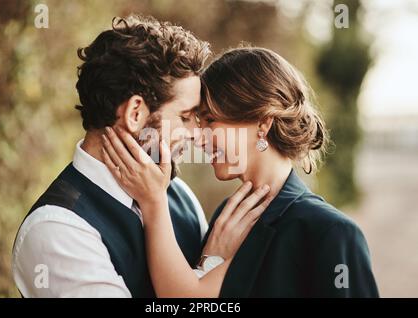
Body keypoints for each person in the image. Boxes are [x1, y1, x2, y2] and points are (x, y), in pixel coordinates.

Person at [12, 16, 267, 298]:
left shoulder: (180, 196)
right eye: (184, 117)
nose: (197, 133)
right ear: (135, 113)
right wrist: (211, 264)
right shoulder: (57, 230)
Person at [101, 47, 379, 297]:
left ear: (263, 123)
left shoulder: (330, 233)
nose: (198, 136)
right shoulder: (227, 216)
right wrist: (208, 262)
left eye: (209, 120)